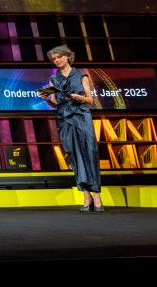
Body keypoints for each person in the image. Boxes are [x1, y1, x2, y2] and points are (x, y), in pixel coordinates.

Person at [39, 45, 104, 212]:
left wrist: (78, 97)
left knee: (89, 151)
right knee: (74, 155)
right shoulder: (53, 79)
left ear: (68, 56)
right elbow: (55, 104)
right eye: (54, 59)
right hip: (64, 118)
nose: (57, 60)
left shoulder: (81, 74)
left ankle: (97, 195)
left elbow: (90, 100)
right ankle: (86, 196)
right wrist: (46, 99)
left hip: (81, 115)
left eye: (59, 57)